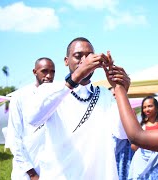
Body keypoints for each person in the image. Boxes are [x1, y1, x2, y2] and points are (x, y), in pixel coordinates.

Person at [22, 37, 131, 179]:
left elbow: (122, 134)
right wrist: (75, 78)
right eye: (78, 56)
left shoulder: (105, 94)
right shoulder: (50, 90)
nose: (84, 61)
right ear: (66, 60)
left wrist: (121, 90)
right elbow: (32, 118)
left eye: (89, 56)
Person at [5, 57, 55, 180]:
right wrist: (31, 173)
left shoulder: (56, 96)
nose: (49, 75)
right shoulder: (20, 97)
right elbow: (14, 138)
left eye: (52, 72)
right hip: (25, 172)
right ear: (34, 72)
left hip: (50, 170)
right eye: (44, 71)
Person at [128, 95, 158, 180]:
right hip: (142, 164)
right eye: (144, 107)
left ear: (156, 108)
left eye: (150, 106)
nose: (147, 109)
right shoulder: (140, 126)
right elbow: (134, 147)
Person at [109, 87, 135, 180]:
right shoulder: (105, 109)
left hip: (125, 147)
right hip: (109, 146)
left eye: (117, 94)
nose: (115, 97)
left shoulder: (128, 110)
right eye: (113, 95)